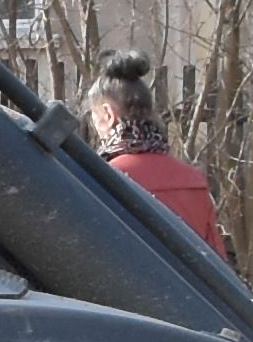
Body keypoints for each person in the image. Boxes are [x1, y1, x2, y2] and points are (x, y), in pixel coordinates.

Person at [83, 56, 228, 245]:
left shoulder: (100, 180)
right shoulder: (194, 182)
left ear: (109, 115)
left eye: (94, 119)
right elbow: (216, 265)